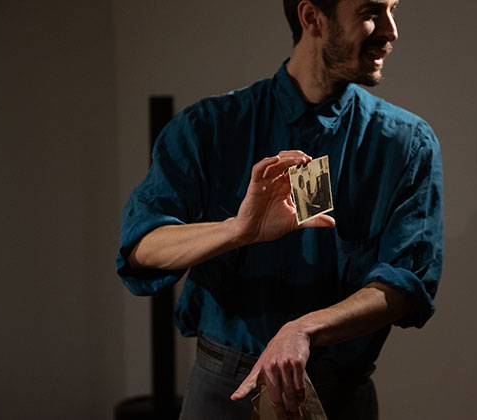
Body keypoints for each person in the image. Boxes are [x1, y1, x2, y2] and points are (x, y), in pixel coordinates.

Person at [116, 0, 443, 419]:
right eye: (370, 12)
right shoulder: (210, 127)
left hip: (339, 395)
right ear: (312, 18)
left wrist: (304, 329)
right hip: (225, 393)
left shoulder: (405, 143)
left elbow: (407, 283)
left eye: (393, 9)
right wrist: (237, 230)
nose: (391, 30)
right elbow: (142, 245)